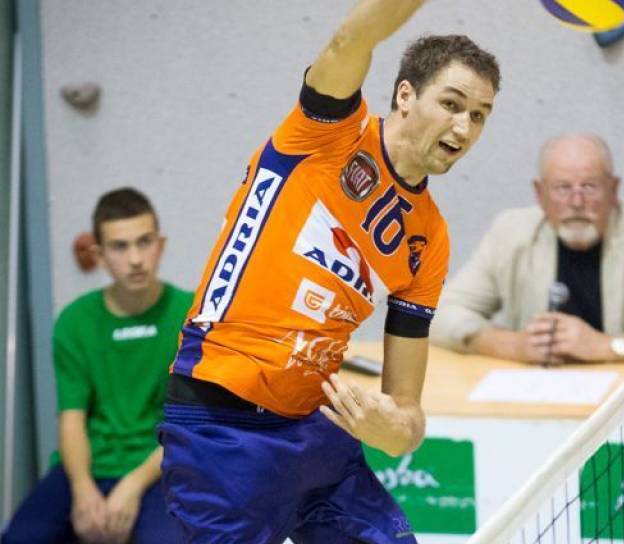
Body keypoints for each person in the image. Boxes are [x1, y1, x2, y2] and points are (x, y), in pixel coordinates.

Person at [157, 1, 500, 541]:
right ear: (405, 96)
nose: (464, 126)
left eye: (479, 115)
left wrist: (396, 430)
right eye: (452, 103)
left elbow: (407, 414)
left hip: (318, 431)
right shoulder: (329, 132)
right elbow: (349, 41)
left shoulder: (430, 237)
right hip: (224, 427)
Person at [2, 188, 189, 544]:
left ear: (160, 244)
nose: (135, 259)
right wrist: (82, 488)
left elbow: (192, 425)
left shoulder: (190, 317)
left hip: (163, 466)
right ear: (99, 255)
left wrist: (132, 486)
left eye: (144, 242)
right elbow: (71, 418)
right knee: (21, 537)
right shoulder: (75, 321)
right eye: (119, 246)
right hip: (90, 466)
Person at [433, 133, 624, 364]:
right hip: (537, 390)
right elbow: (439, 313)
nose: (576, 202)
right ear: (540, 194)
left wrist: (617, 346)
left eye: (589, 187)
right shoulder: (510, 233)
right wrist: (509, 344)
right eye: (562, 188)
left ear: (613, 190)